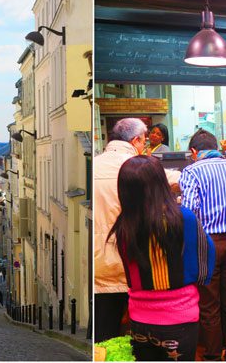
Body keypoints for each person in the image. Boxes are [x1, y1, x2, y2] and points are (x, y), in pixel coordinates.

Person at [109, 155, 215, 361]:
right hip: (180, 317)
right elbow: (205, 254)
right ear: (161, 184)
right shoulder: (183, 217)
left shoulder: (124, 226)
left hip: (140, 318)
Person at [94, 118, 181, 343]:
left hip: (98, 266)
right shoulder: (138, 165)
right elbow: (180, 181)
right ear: (136, 140)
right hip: (133, 261)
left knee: (105, 336)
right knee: (142, 334)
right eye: (143, 141)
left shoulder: (94, 163)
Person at [179, 129, 226, 361]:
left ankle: (213, 355)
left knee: (209, 304)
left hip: (208, 244)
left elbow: (189, 213)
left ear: (195, 151)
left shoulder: (190, 171)